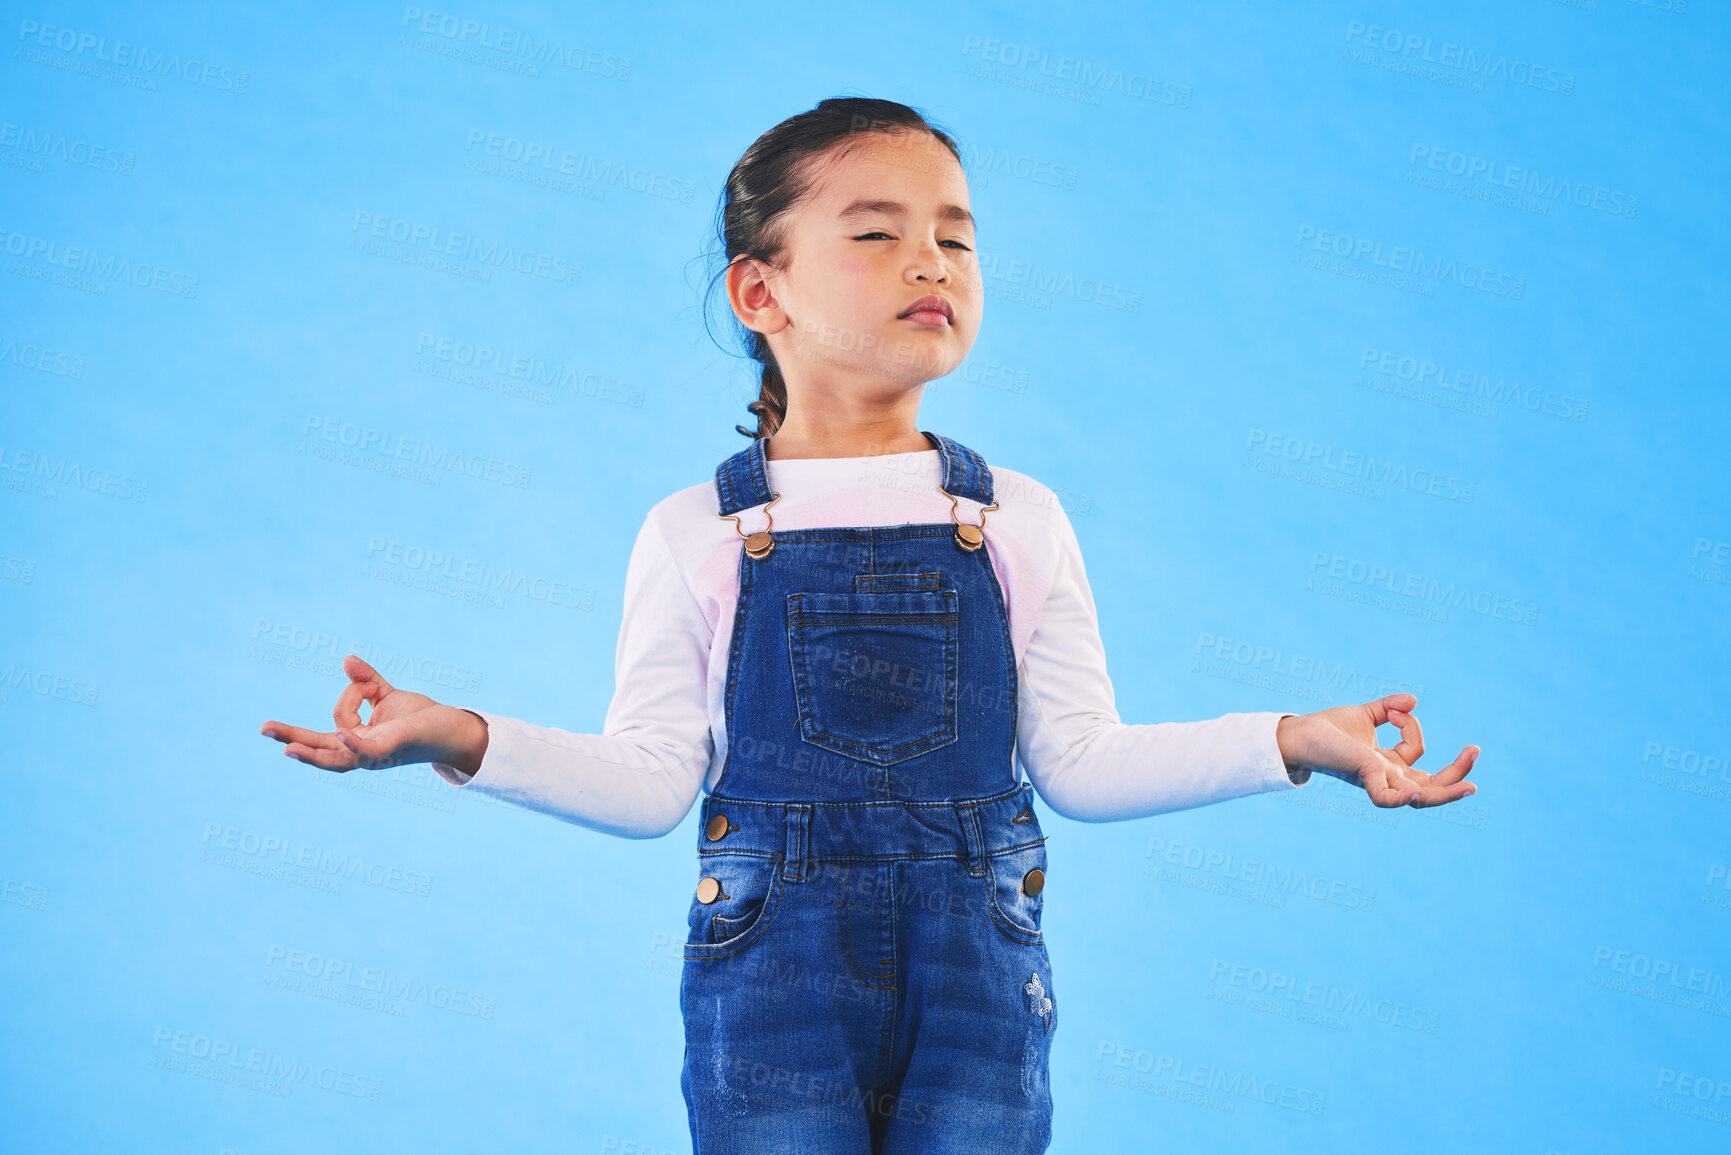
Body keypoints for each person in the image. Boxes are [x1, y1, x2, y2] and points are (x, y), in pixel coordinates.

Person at [260, 96, 1479, 1154]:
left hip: (979, 978)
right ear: (761, 289)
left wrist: (1296, 741)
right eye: (877, 235)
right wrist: (460, 735)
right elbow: (646, 786)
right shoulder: (696, 531)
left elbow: (1083, 767)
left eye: (956, 235)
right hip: (772, 975)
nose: (931, 263)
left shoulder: (1017, 518)